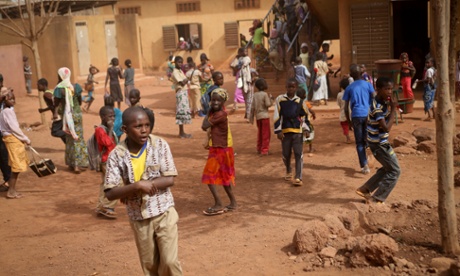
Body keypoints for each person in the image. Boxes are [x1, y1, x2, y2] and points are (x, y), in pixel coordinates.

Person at [104, 107, 183, 275]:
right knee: (150, 267)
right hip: (139, 217)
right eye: (138, 126)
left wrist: (145, 184)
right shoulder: (117, 155)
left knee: (169, 262)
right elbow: (110, 192)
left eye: (147, 125)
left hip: (164, 211)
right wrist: (136, 186)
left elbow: (169, 179)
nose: (144, 130)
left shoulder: (159, 145)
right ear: (125, 129)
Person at [356, 77, 400, 204]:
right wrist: (393, 110)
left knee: (388, 168)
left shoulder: (383, 102)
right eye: (386, 89)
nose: (389, 92)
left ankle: (366, 188)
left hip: (380, 143)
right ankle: (377, 198)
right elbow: (386, 128)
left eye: (391, 89)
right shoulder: (377, 106)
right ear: (378, 89)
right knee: (395, 171)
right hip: (379, 145)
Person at [201, 88, 237, 215]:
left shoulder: (220, 114)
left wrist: (209, 111)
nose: (214, 102)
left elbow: (204, 126)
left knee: (209, 177)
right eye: (213, 100)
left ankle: (218, 204)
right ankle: (233, 203)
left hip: (220, 149)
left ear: (223, 102)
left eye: (218, 100)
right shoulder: (219, 113)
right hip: (223, 148)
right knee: (224, 177)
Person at [53, 67, 89, 174]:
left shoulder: (59, 89)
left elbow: (56, 103)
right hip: (77, 114)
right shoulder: (76, 86)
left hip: (67, 116)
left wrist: (56, 112)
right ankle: (80, 162)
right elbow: (79, 101)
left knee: (70, 139)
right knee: (78, 137)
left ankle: (74, 164)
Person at [273, 78, 307, 186]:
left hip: (297, 131)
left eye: (293, 87)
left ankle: (298, 177)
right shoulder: (280, 99)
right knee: (286, 154)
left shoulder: (300, 101)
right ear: (286, 87)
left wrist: (306, 128)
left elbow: (305, 115)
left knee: (298, 153)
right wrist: (278, 130)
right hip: (285, 131)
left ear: (296, 88)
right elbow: (276, 114)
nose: (291, 89)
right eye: (289, 87)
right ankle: (288, 169)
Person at [343, 64, 375, 174]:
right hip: (367, 114)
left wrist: (348, 121)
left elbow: (346, 107)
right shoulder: (368, 85)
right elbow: (374, 98)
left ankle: (364, 165)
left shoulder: (349, 87)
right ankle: (369, 152)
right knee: (368, 138)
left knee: (359, 142)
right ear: (362, 73)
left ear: (351, 75)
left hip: (356, 116)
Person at [0, 90, 30, 199]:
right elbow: (14, 128)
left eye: (14, 99)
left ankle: (12, 190)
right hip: (13, 139)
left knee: (15, 166)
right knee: (16, 167)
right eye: (11, 99)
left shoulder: (4, 111)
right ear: (5, 100)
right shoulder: (7, 112)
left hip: (11, 139)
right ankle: (11, 191)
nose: (13, 101)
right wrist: (25, 138)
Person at [95, 106, 118, 219]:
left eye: (114, 116)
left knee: (105, 184)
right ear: (103, 117)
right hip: (106, 160)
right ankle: (108, 206)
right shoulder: (100, 129)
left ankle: (101, 206)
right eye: (110, 116)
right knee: (117, 183)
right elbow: (108, 143)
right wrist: (110, 128)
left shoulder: (106, 128)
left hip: (110, 159)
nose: (112, 118)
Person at [37, 78, 66, 144]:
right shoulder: (49, 92)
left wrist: (55, 113)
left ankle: (69, 133)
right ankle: (69, 146)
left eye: (38, 85)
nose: (37, 87)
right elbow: (52, 105)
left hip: (58, 115)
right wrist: (43, 110)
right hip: (60, 113)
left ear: (43, 85)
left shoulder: (46, 94)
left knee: (55, 132)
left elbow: (56, 102)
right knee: (61, 131)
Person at [250, 78, 273, 156]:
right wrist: (271, 99)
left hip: (258, 117)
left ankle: (259, 148)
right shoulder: (265, 94)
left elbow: (252, 107)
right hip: (265, 116)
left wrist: (251, 117)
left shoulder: (255, 95)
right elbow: (268, 104)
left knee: (260, 133)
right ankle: (265, 150)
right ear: (264, 86)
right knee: (266, 133)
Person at [171, 56, 192, 138]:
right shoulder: (175, 72)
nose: (180, 64)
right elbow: (183, 82)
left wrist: (186, 78)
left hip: (184, 92)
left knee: (183, 112)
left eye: (181, 62)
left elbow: (185, 81)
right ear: (175, 62)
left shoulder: (180, 71)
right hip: (180, 92)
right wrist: (187, 77)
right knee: (180, 112)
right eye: (178, 62)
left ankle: (182, 132)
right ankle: (181, 132)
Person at [230, 47, 252, 113]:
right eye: (243, 51)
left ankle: (246, 106)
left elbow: (245, 64)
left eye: (246, 51)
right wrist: (236, 59)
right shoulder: (237, 59)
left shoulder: (247, 58)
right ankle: (235, 104)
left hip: (245, 76)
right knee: (238, 90)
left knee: (246, 90)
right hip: (239, 76)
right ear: (239, 52)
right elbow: (232, 65)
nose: (245, 52)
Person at [0, 74, 11, 192]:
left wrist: (6, 97)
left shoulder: (4, 92)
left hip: (2, 130)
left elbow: (11, 104)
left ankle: (8, 181)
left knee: (3, 156)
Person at [297, 88, 316, 153]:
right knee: (310, 132)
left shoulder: (296, 103)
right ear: (304, 95)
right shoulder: (306, 103)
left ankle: (300, 150)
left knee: (299, 136)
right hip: (306, 122)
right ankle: (310, 148)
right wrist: (313, 114)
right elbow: (311, 110)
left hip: (298, 122)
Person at [337, 78, 352, 144]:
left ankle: (348, 138)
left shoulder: (339, 95)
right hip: (352, 113)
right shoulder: (352, 93)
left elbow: (339, 104)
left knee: (344, 125)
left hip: (343, 113)